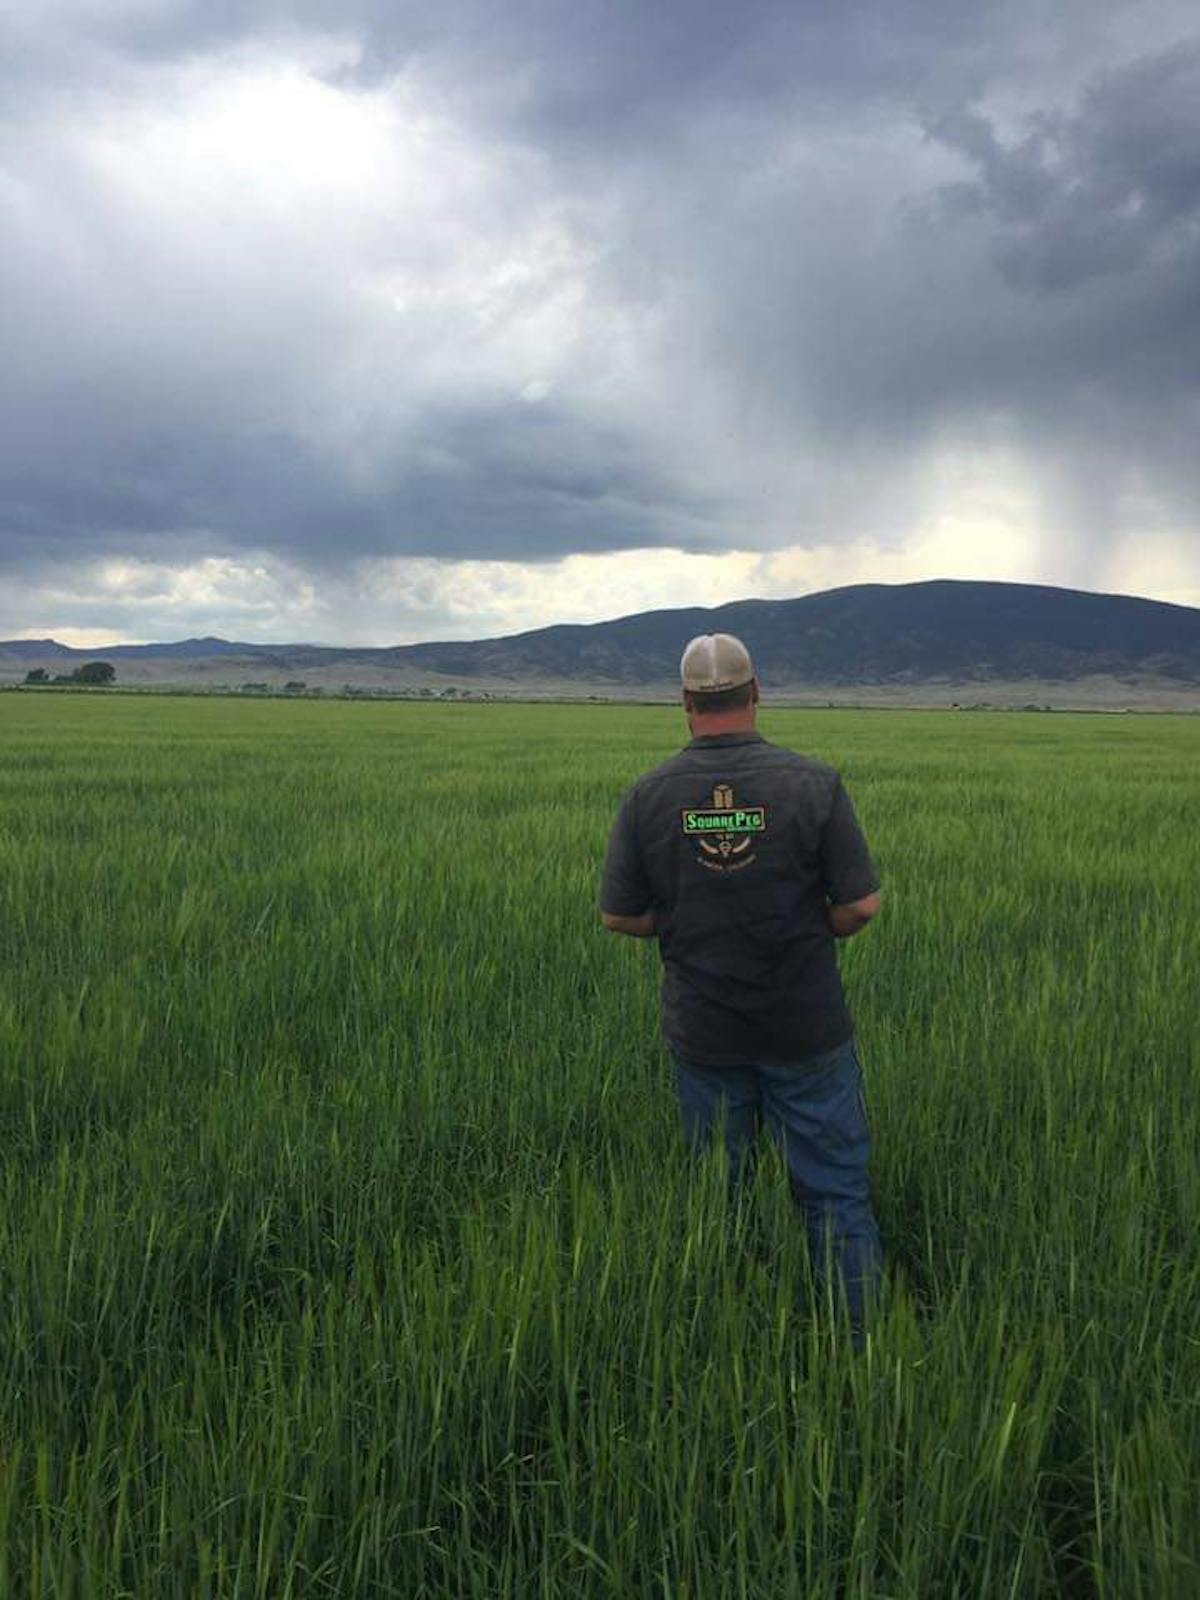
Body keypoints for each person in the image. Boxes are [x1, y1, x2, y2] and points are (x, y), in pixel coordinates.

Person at [599, 632, 883, 1341]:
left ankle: (728, 1335)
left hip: (706, 1033)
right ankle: (864, 1348)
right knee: (833, 1191)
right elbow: (861, 906)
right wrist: (814, 926)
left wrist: (688, 924)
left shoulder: (649, 796)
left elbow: (619, 915)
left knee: (720, 1194)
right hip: (806, 1027)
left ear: (686, 703)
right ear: (757, 693)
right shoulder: (814, 784)